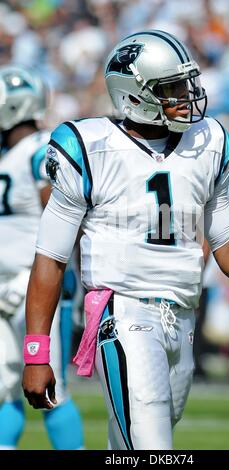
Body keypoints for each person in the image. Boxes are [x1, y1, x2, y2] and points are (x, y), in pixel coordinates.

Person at [22, 30, 229, 450]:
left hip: (182, 319)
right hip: (123, 313)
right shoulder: (89, 148)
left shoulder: (207, 144)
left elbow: (225, 235)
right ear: (133, 94)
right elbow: (51, 258)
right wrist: (36, 351)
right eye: (171, 88)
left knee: (129, 447)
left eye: (185, 85)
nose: (185, 96)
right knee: (153, 449)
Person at [0, 65, 84, 450]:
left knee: (52, 389)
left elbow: (61, 215)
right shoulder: (10, 154)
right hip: (4, 287)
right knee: (3, 388)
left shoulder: (39, 149)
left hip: (35, 286)